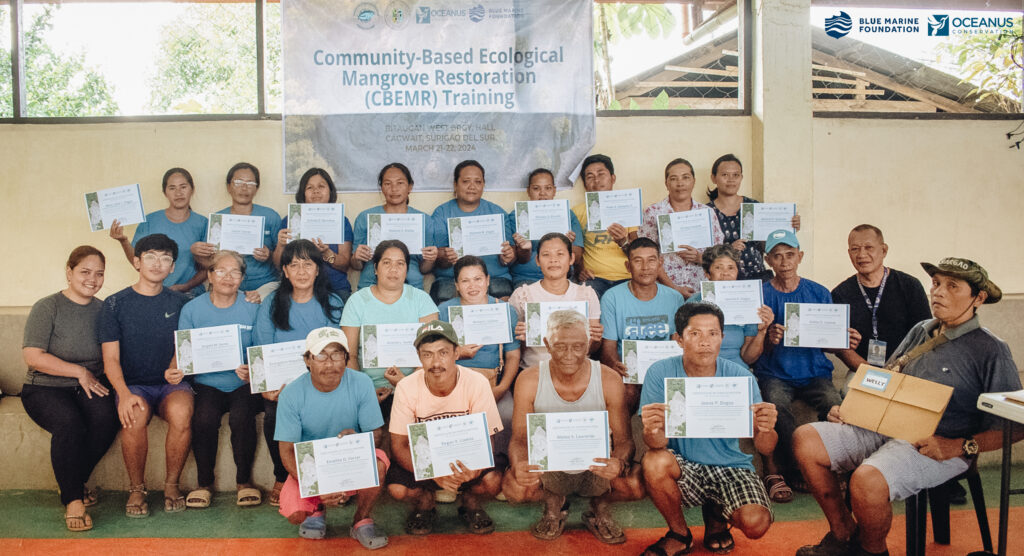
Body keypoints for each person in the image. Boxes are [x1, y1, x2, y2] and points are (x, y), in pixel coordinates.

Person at [794, 258, 1020, 556]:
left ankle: (871, 550)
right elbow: (887, 378)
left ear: (978, 298)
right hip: (887, 426)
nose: (938, 292)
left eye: (952, 286)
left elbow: (1015, 426)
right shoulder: (922, 330)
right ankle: (843, 533)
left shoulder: (991, 349)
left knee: (867, 481)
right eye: (937, 283)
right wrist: (851, 409)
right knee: (806, 440)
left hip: (937, 445)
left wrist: (959, 447)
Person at [639, 302, 778, 555]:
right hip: (684, 466)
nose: (705, 342)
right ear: (679, 339)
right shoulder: (660, 373)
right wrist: (651, 428)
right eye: (695, 334)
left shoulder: (741, 377)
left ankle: (716, 513)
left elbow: (765, 447)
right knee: (654, 461)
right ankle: (679, 534)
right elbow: (656, 444)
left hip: (731, 466)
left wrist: (767, 428)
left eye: (713, 333)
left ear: (722, 338)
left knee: (756, 523)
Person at [503, 310, 642, 545]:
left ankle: (599, 507)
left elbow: (624, 440)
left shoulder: (608, 379)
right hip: (549, 467)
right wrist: (519, 465)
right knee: (514, 488)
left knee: (634, 485)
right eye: (560, 346)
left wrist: (617, 463)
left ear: (588, 344)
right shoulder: (529, 379)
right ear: (547, 344)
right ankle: (554, 503)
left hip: (597, 465)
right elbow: (519, 439)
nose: (569, 355)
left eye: (578, 346)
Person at [755, 230, 860, 499]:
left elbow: (828, 343)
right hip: (774, 372)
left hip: (814, 372)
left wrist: (844, 339)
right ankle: (796, 470)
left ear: (800, 256)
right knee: (777, 407)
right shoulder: (761, 294)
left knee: (834, 405)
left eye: (790, 255)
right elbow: (755, 348)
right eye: (777, 256)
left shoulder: (819, 292)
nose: (784, 261)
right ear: (768, 260)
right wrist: (770, 339)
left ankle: (835, 466)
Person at [21, 246, 119, 532]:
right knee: (70, 425)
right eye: (85, 272)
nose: (92, 279)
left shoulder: (104, 310)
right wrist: (79, 372)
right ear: (69, 272)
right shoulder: (47, 306)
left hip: (90, 385)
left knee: (107, 420)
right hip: (45, 386)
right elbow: (33, 357)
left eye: (99, 274)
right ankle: (74, 500)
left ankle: (72, 482)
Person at [99, 233, 193, 517]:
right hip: (133, 386)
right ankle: (137, 489)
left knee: (181, 412)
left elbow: (185, 346)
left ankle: (171, 485)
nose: (157, 263)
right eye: (150, 256)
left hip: (170, 386)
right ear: (137, 261)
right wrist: (124, 394)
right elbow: (110, 359)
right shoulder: (115, 304)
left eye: (165, 258)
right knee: (134, 415)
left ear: (172, 267)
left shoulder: (181, 303)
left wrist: (178, 367)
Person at [387, 320, 505, 536]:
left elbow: (487, 437)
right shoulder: (406, 386)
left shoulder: (477, 382)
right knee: (397, 489)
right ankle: (425, 501)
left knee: (493, 482)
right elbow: (399, 445)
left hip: (467, 455)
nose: (436, 362)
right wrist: (435, 474)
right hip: (427, 459)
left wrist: (474, 471)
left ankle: (470, 501)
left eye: (443, 353)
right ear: (419, 357)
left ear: (456, 353)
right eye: (427, 354)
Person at [273, 327, 389, 548]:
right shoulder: (291, 394)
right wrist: (318, 486)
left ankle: (361, 519)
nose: (330, 363)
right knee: (295, 515)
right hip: (311, 465)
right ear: (307, 360)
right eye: (321, 355)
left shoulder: (362, 383)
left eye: (337, 354)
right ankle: (317, 510)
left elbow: (376, 434)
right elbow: (286, 451)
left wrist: (359, 439)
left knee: (378, 463)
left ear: (346, 358)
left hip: (348, 458)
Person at [167, 250, 261, 509]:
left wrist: (251, 369)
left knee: (242, 417)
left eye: (235, 272)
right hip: (207, 383)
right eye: (221, 271)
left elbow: (262, 347)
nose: (228, 277)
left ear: (242, 278)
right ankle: (204, 483)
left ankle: (244, 483)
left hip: (243, 383)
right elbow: (182, 352)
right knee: (204, 418)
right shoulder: (192, 309)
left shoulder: (254, 306)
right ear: (209, 275)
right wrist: (173, 370)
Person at [254, 239, 344, 507]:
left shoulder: (332, 302)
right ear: (285, 270)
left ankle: (336, 479)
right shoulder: (271, 303)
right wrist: (266, 387)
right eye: (294, 265)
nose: (302, 271)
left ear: (318, 270)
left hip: (326, 382)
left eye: (308, 264)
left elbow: (337, 352)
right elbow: (261, 347)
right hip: (282, 387)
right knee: (273, 414)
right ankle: (282, 477)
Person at [438, 255, 522, 458]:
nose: (472, 286)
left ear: (488, 280)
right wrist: (457, 353)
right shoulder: (444, 311)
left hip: (493, 382)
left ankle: (499, 469)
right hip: (453, 383)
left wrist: (502, 388)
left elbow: (513, 356)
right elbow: (434, 355)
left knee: (508, 415)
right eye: (465, 281)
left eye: (478, 279)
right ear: (457, 285)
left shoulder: (504, 310)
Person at [341, 240, 439, 406]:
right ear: (375, 268)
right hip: (367, 389)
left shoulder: (421, 299)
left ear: (407, 269)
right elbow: (349, 355)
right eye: (386, 263)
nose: (394, 269)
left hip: (416, 386)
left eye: (400, 264)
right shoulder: (357, 301)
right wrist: (366, 392)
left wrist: (407, 385)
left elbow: (431, 352)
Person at [599, 237, 684, 411]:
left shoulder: (675, 298)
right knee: (626, 391)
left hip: (664, 368)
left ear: (660, 263)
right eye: (638, 261)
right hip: (629, 370)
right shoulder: (612, 297)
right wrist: (615, 364)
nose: (645, 267)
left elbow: (677, 342)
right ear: (628, 266)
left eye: (651, 260)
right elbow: (608, 345)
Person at [831, 224, 931, 370]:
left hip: (908, 368)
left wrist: (900, 368)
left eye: (868, 247)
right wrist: (872, 373)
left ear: (884, 250)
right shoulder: (840, 294)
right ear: (849, 253)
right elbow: (842, 349)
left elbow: (923, 337)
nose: (861, 255)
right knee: (847, 391)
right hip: (862, 370)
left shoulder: (910, 286)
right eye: (855, 249)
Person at [508, 233, 602, 369]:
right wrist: (521, 338)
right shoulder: (522, 295)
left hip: (577, 370)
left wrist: (595, 339)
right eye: (546, 255)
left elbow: (591, 350)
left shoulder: (586, 294)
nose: (553, 260)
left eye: (560, 254)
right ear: (537, 260)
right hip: (534, 370)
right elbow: (513, 352)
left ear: (571, 258)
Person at [109, 168, 208, 295]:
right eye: (172, 188)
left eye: (183, 187)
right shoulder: (150, 220)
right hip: (153, 293)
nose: (178, 193)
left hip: (191, 295)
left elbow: (210, 266)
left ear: (192, 189)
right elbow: (137, 262)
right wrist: (123, 241)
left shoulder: (203, 223)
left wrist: (185, 286)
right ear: (164, 192)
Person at [192, 162, 282, 301]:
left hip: (265, 285)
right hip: (227, 284)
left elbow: (283, 261)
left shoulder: (271, 216)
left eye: (250, 183)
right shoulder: (217, 220)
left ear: (257, 188)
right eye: (238, 182)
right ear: (228, 187)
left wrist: (269, 255)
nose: (244, 187)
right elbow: (208, 264)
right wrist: (198, 254)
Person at [430, 160, 516, 304]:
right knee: (445, 303)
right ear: (455, 184)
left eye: (478, 181)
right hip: (452, 279)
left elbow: (512, 256)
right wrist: (445, 256)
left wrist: (508, 256)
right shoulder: (442, 212)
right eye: (466, 181)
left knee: (503, 308)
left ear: (483, 185)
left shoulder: (497, 213)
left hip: (495, 277)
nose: (472, 187)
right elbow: (436, 256)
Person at [637, 158, 724, 298]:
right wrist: (674, 288)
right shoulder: (653, 213)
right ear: (666, 183)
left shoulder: (707, 213)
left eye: (685, 177)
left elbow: (720, 257)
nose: (680, 183)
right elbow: (647, 256)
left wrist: (700, 258)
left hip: (702, 290)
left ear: (694, 181)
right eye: (674, 178)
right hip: (664, 290)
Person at [706, 154, 800, 281]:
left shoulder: (754, 207)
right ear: (713, 178)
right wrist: (728, 250)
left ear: (741, 177)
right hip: (724, 280)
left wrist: (788, 228)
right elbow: (703, 255)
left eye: (736, 175)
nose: (731, 179)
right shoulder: (707, 212)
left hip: (758, 277)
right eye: (725, 175)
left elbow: (768, 246)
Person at [352, 163, 438, 291]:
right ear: (381, 187)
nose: (394, 188)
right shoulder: (365, 218)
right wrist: (356, 258)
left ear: (410, 187)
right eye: (387, 183)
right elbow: (357, 266)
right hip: (371, 283)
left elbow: (425, 269)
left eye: (400, 183)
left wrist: (431, 260)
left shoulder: (423, 220)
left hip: (411, 285)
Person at [273, 168, 355, 301]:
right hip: (295, 289)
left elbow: (345, 265)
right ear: (303, 193)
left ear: (330, 191)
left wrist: (326, 254)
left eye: (321, 186)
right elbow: (278, 266)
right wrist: (281, 245)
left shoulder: (341, 221)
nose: (316, 191)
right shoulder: (289, 221)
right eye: (309, 187)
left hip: (334, 288)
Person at [571, 154, 638, 298]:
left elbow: (638, 251)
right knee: (586, 300)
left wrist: (623, 242)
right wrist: (580, 270)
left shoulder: (628, 206)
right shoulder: (576, 212)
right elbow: (577, 252)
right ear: (584, 184)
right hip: (594, 279)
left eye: (601, 174)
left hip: (626, 276)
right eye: (590, 176)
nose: (596, 180)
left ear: (612, 179)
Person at [508, 168, 584, 289]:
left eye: (548, 188)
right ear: (528, 191)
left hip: (562, 276)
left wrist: (568, 245)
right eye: (536, 188)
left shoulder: (566, 214)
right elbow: (514, 259)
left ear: (554, 191)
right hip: (527, 277)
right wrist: (524, 249)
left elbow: (577, 256)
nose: (542, 193)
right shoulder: (516, 216)